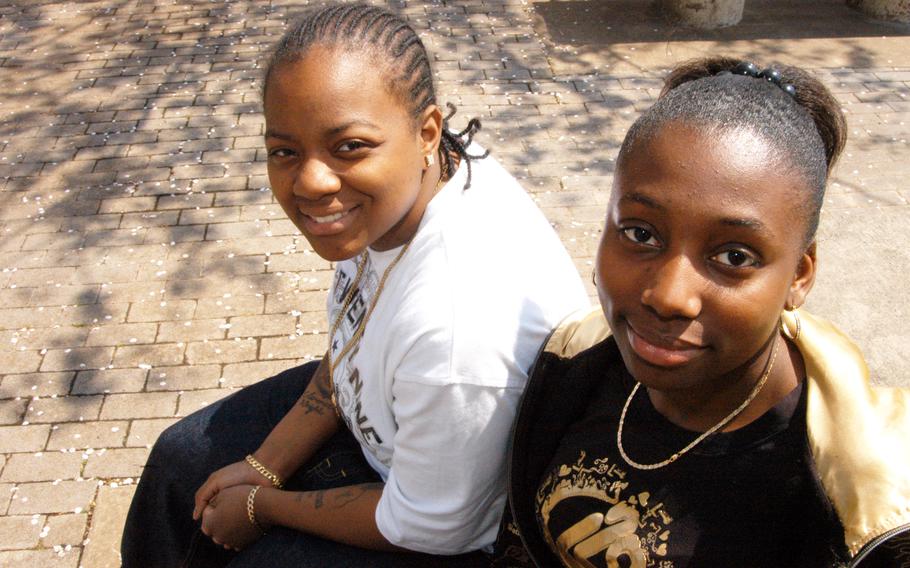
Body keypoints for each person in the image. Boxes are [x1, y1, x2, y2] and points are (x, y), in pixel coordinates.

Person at [120, 4, 589, 567]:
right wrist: (264, 465)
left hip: (448, 534)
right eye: (284, 152)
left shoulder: (459, 328)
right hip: (390, 430)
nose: (312, 182)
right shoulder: (411, 189)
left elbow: (427, 525)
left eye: (349, 147)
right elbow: (356, 338)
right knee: (180, 462)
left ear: (427, 132)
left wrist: (262, 506)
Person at [495, 57, 910, 568]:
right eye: (640, 234)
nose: (669, 296)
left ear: (799, 276)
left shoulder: (860, 499)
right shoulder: (576, 359)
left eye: (734, 257)